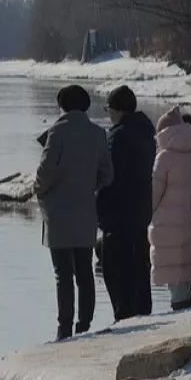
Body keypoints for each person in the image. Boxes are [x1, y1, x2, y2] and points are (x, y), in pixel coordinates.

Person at [34, 84, 113, 340]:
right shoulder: (98, 133)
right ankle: (85, 322)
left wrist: (40, 190)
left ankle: (64, 327)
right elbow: (107, 174)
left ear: (62, 105)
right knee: (85, 270)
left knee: (62, 273)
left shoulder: (56, 133)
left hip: (57, 213)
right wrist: (88, 186)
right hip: (85, 210)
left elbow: (45, 172)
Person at [98, 85, 156, 321]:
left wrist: (99, 208)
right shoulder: (145, 134)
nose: (108, 114)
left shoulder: (118, 136)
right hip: (141, 210)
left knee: (116, 269)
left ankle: (124, 316)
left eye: (108, 109)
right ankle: (142, 310)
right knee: (139, 266)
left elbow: (109, 177)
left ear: (117, 110)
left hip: (119, 214)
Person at [150, 106, 191, 311]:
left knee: (175, 281)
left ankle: (180, 319)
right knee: (190, 275)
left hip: (168, 229)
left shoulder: (164, 157)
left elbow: (153, 196)